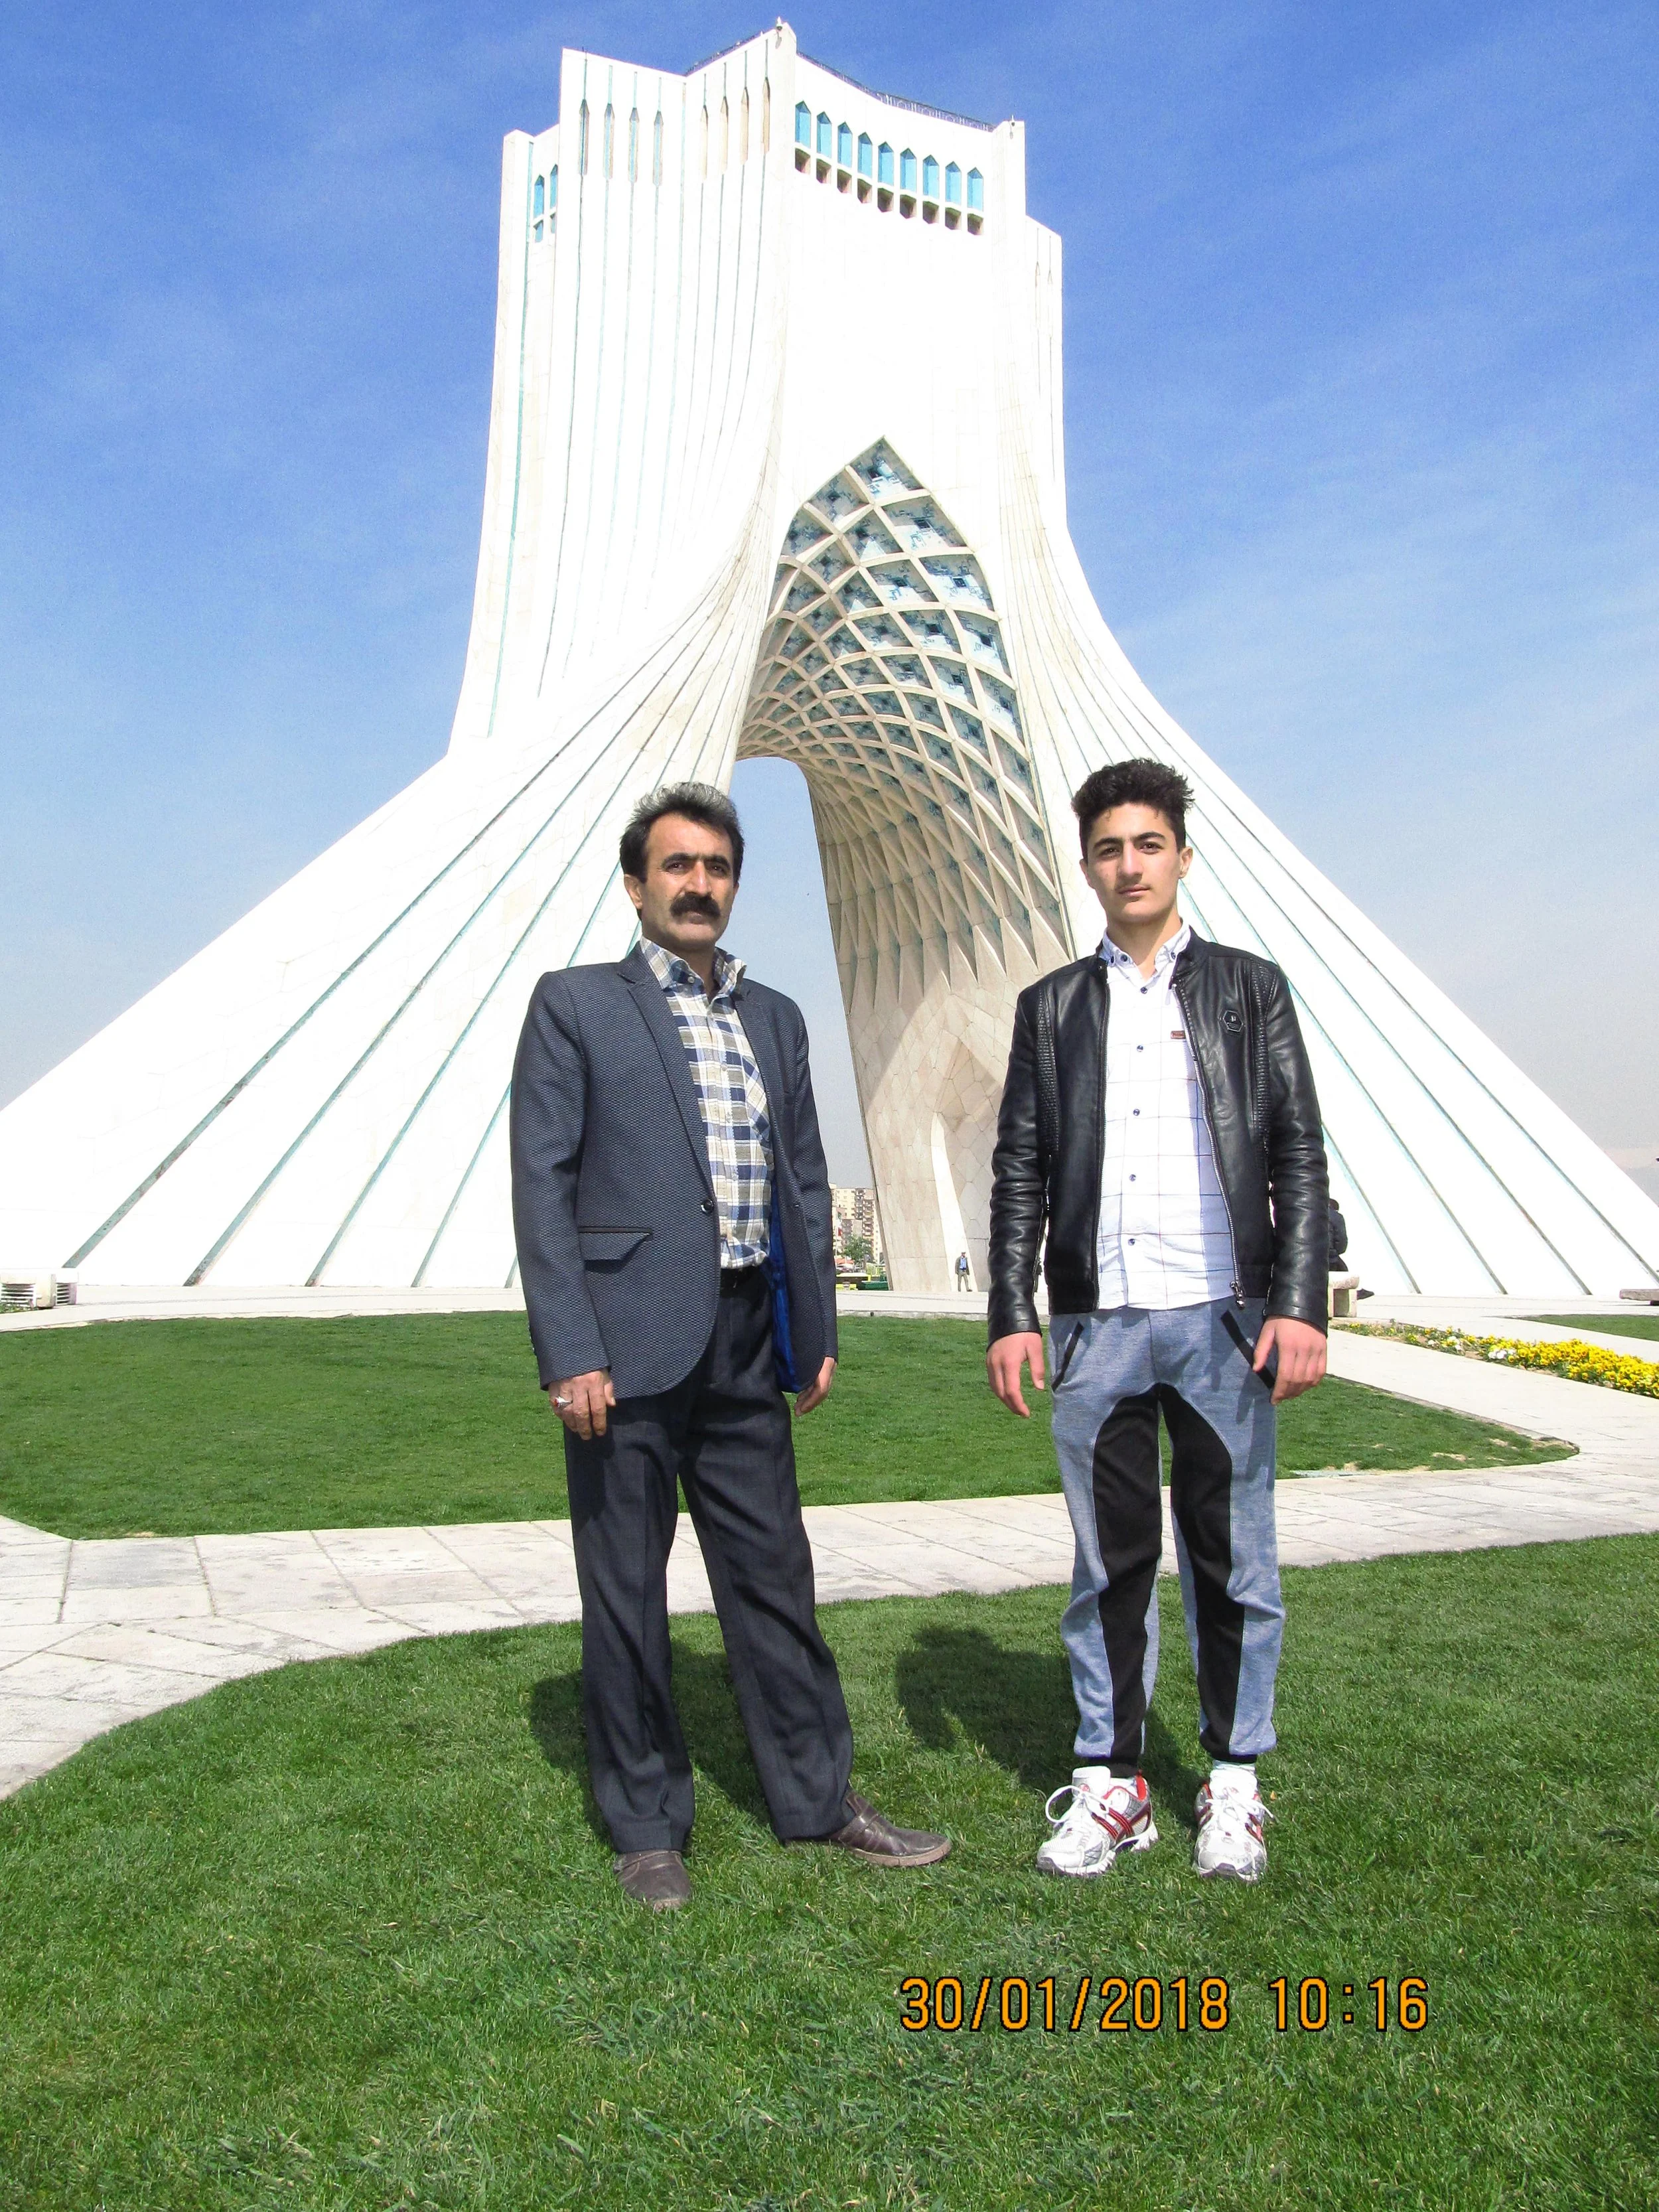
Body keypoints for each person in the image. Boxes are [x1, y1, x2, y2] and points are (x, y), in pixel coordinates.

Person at [510, 781, 950, 1911]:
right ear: (636, 883)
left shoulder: (777, 1019)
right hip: (626, 1347)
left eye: (716, 867)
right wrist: (570, 1349)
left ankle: (818, 1797)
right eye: (677, 866)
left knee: (776, 1581)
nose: (698, 884)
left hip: (749, 1338)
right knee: (626, 1593)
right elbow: (543, 1189)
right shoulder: (575, 1006)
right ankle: (648, 1824)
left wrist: (815, 1331)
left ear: (734, 883)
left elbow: (803, 1183)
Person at [985, 757, 1329, 1884]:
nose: (1127, 865)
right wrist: (1012, 1310)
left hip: (1225, 1322)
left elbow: (1295, 1153)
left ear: (1181, 854)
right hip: (1100, 1328)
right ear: (1085, 866)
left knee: (1236, 1565)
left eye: (1147, 844)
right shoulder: (1052, 1009)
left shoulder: (1247, 988)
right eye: (1106, 849)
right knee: (1110, 1566)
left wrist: (1300, 1304)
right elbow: (1022, 1169)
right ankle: (1113, 1781)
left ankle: (1234, 1781)